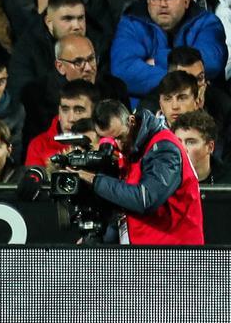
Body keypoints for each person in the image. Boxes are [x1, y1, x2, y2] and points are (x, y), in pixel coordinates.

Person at [69, 100, 204, 244]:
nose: (118, 145)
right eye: (110, 139)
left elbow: (145, 200)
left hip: (176, 253)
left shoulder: (165, 148)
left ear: (131, 121)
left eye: (120, 137)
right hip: (144, 250)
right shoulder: (132, 149)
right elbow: (124, 206)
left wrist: (94, 180)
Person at [25, 80, 100, 168]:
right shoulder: (39, 145)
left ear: (94, 114)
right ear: (59, 112)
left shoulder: (106, 144)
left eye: (79, 111)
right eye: (65, 110)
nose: (71, 119)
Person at [172, 109, 228, 183]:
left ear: (210, 147)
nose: (182, 149)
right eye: (178, 142)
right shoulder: (162, 179)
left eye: (190, 142)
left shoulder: (227, 179)